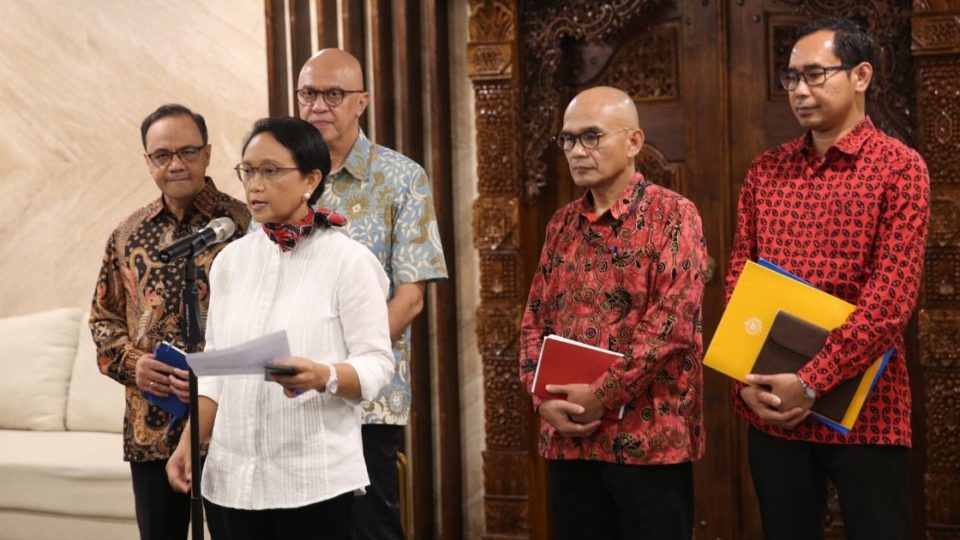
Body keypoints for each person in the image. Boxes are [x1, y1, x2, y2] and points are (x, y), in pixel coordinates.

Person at [727, 17, 929, 540]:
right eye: (791, 78)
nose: (799, 90)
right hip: (772, 405)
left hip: (869, 409)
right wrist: (743, 380)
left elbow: (890, 301)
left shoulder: (900, 169)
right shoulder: (765, 171)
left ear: (861, 76)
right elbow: (740, 282)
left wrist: (812, 381)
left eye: (815, 75)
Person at [165, 116, 395, 540]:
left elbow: (378, 365)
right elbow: (215, 370)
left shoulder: (349, 262)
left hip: (312, 480)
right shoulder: (230, 261)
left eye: (270, 171)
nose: (254, 185)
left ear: (311, 179)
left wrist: (322, 375)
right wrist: (190, 442)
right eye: (248, 171)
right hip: (232, 479)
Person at [518, 86, 707, 540]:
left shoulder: (674, 215)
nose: (577, 151)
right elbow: (534, 320)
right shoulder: (561, 224)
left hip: (649, 441)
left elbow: (670, 327)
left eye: (592, 137)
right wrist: (541, 398)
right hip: (569, 437)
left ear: (634, 141)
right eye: (568, 140)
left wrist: (601, 395)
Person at [296, 48, 448, 539]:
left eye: (333, 94)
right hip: (292, 398)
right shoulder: (284, 176)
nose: (318, 105)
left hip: (366, 399)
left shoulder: (402, 178)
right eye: (308, 94)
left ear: (361, 101)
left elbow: (411, 298)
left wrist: (339, 366)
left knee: (368, 531)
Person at [89, 103, 250, 540]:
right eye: (162, 155)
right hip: (151, 428)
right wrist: (134, 364)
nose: (175, 164)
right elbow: (103, 319)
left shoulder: (245, 225)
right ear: (148, 160)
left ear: (208, 153)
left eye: (188, 151)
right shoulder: (127, 234)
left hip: (231, 429)